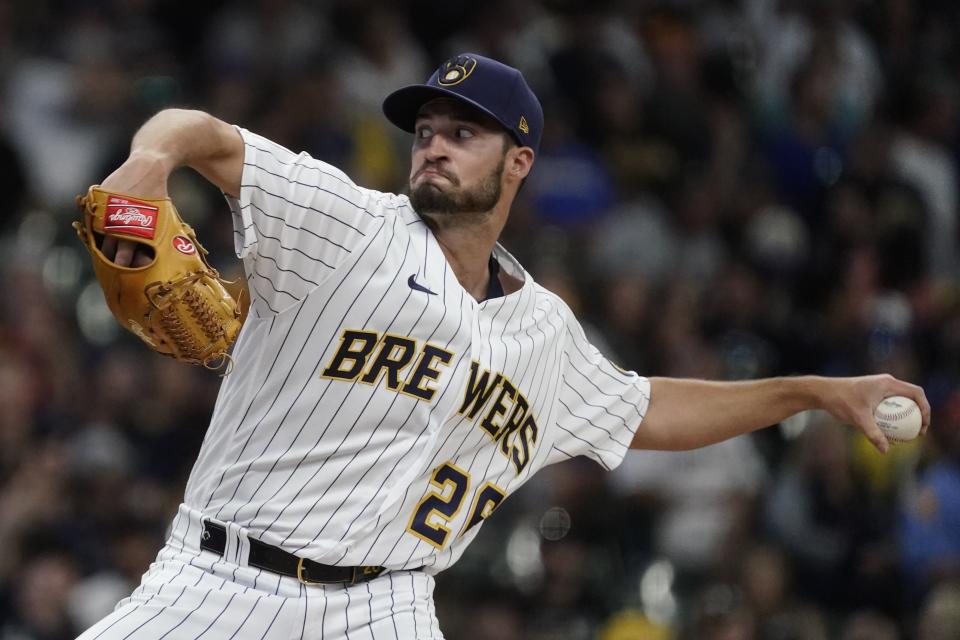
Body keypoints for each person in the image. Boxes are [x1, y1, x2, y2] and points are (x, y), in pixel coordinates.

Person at [77, 53, 929, 639]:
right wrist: (151, 157)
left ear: (518, 161)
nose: (436, 145)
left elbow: (648, 410)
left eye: (463, 132)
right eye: (427, 130)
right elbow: (202, 131)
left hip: (383, 608)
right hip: (217, 579)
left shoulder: (543, 329)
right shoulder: (345, 222)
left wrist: (814, 390)